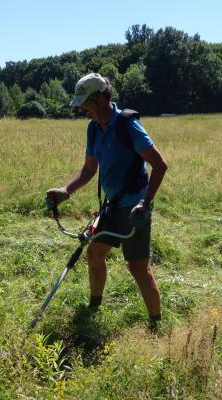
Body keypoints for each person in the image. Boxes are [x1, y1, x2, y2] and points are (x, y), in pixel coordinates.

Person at [46, 73, 168, 330]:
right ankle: (94, 307)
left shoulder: (127, 125)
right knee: (94, 253)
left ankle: (157, 326)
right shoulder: (93, 128)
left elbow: (159, 164)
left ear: (101, 98)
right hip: (112, 205)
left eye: (85, 103)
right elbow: (89, 169)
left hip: (135, 206)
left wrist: (145, 203)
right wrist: (65, 191)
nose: (82, 109)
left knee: (138, 268)